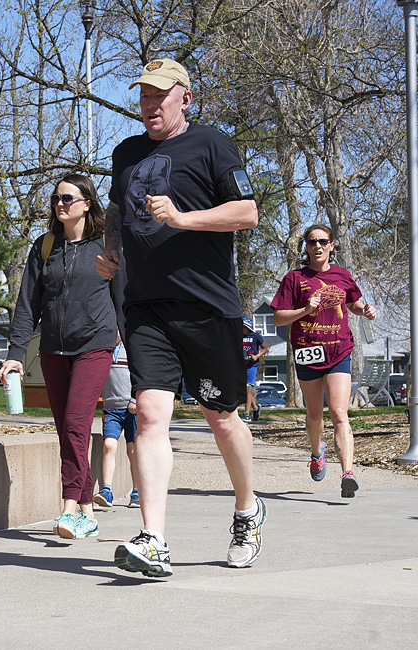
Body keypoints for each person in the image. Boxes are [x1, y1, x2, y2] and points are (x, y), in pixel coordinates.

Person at [96, 58, 265, 577]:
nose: (149, 105)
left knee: (222, 417)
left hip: (205, 305)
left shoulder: (212, 144)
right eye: (143, 96)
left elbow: (247, 213)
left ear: (184, 98)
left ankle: (247, 510)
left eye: (159, 95)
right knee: (149, 414)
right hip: (145, 306)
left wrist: (183, 218)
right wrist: (111, 249)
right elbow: (117, 211)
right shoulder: (126, 153)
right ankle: (154, 539)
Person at [0, 173, 125, 541]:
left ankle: (68, 508)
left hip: (95, 346)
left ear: (87, 203)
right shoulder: (45, 246)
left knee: (75, 425)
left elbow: (124, 299)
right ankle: (88, 512)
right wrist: (15, 354)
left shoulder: (106, 246)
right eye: (56, 198)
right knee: (68, 432)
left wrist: (136, 349)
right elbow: (28, 305)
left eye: (67, 198)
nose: (59, 204)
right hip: (53, 349)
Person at [271, 224, 377, 498]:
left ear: (332, 245)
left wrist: (365, 310)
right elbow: (278, 318)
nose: (317, 246)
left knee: (339, 413)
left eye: (322, 241)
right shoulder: (294, 278)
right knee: (315, 415)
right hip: (308, 352)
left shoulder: (342, 275)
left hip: (339, 351)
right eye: (311, 242)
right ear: (306, 247)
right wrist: (306, 309)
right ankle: (317, 453)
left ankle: (347, 474)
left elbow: (353, 303)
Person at [93, 337, 140, 509]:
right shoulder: (102, 350)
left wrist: (135, 399)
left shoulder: (131, 349)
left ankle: (137, 491)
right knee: (109, 445)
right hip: (111, 409)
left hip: (131, 410)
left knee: (133, 450)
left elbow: (140, 376)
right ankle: (107, 490)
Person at [242, 316, 269, 422]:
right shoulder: (238, 336)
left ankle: (246, 414)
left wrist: (257, 356)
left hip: (251, 366)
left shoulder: (255, 336)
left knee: (248, 389)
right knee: (246, 391)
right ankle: (255, 408)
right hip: (241, 366)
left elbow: (265, 349)